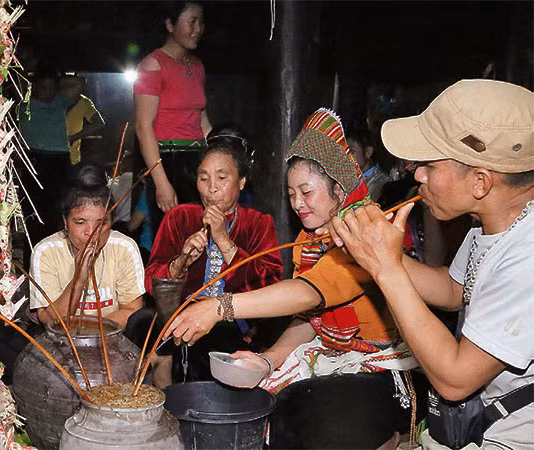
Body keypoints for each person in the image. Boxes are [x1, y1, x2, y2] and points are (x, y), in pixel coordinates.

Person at [166, 109, 420, 448]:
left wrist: (218, 307)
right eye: (291, 193)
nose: (297, 203)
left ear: (339, 188)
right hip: (328, 351)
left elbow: (309, 293)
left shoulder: (366, 230)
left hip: (379, 364)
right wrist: (268, 359)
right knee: (261, 401)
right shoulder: (309, 240)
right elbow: (310, 320)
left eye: (307, 192)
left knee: (305, 410)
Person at [328, 79, 534, 449]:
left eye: (429, 164)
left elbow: (455, 379)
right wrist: (376, 249)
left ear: (481, 181)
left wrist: (387, 270)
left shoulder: (528, 254)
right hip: (485, 417)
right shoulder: (496, 224)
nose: (416, 174)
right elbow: (455, 290)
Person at [145, 125, 283, 383]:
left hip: (236, 324)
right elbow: (152, 282)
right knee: (148, 330)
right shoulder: (180, 217)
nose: (212, 188)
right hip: (181, 317)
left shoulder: (258, 223)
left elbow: (269, 284)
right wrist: (182, 261)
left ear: (241, 182)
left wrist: (223, 239)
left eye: (222, 178)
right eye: (203, 178)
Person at [29, 162, 144, 328]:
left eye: (102, 223)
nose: (91, 233)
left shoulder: (124, 248)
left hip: (111, 338)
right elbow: (50, 319)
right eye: (80, 222)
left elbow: (132, 310)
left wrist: (91, 331)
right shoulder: (46, 252)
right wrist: (79, 279)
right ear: (65, 222)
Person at [134, 1, 212, 219]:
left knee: (200, 236)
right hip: (167, 162)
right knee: (172, 241)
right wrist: (161, 182)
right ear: (170, 25)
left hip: (197, 162)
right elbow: (142, 127)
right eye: (192, 22)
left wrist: (220, 155)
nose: (198, 29)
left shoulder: (197, 66)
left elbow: (202, 120)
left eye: (201, 22)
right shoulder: (152, 65)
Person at [18, 71, 82, 243]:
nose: (48, 92)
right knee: (33, 210)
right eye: (44, 88)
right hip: (35, 159)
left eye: (52, 88)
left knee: (59, 207)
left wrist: (57, 82)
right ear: (35, 87)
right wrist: (35, 79)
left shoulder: (59, 102)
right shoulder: (24, 104)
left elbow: (78, 83)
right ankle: (32, 249)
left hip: (58, 160)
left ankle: (58, 247)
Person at [65, 76, 106, 165]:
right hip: (49, 154)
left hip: (72, 158)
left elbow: (99, 123)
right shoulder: (51, 98)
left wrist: (72, 138)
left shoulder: (84, 102)